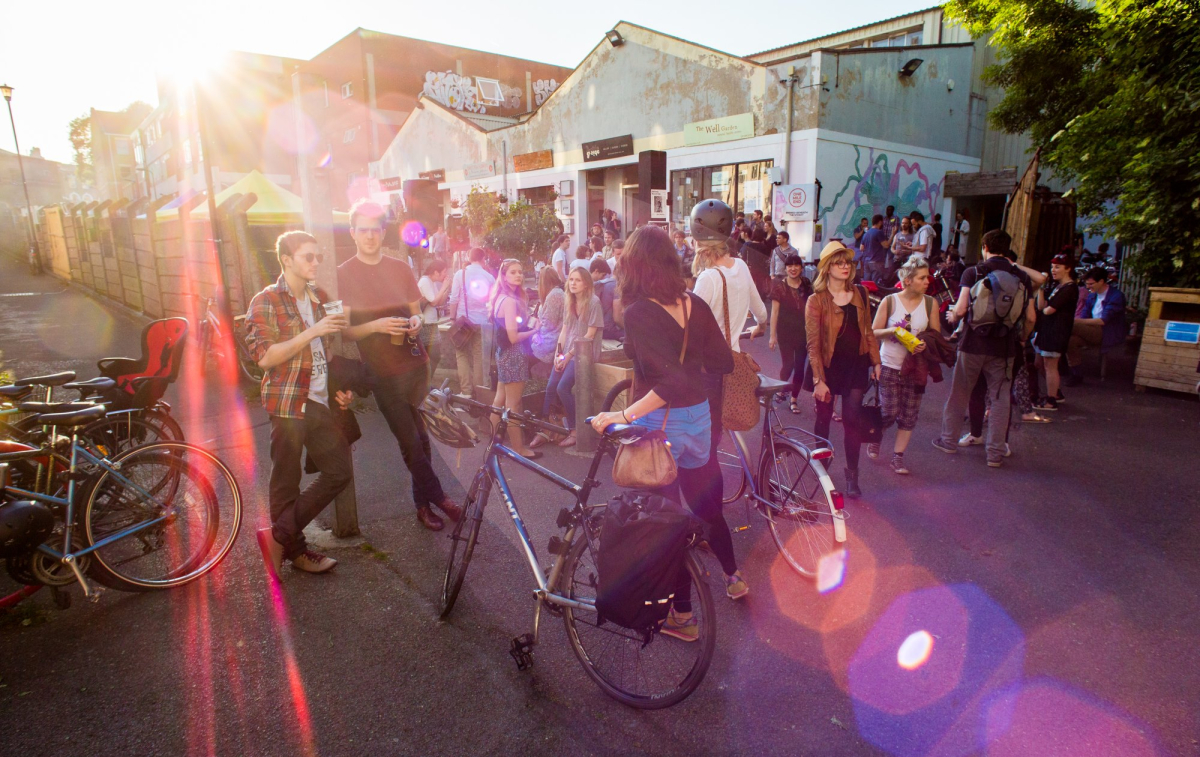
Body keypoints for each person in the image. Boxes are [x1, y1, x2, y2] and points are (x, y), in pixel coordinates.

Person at [589, 224, 743, 638]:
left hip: (662, 424)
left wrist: (622, 416)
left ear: (633, 266)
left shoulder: (638, 311)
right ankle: (734, 577)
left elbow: (665, 383)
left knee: (666, 520)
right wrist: (690, 365)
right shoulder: (693, 302)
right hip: (699, 419)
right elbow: (723, 362)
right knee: (706, 501)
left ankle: (682, 616)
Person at [339, 200, 462, 531]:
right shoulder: (344, 273)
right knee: (409, 441)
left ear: (382, 233)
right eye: (362, 230)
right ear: (353, 233)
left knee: (422, 440)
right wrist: (377, 327)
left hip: (416, 365)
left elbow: (417, 312)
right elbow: (346, 330)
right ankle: (440, 497)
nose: (369, 236)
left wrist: (415, 323)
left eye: (374, 230)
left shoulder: (400, 267)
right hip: (381, 373)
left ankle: (422, 505)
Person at [248, 231, 351, 577]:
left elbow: (327, 350)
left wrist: (340, 387)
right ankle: (296, 551)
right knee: (285, 483)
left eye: (318, 256)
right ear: (287, 260)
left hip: (320, 401)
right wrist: (313, 330)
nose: (315, 262)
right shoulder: (265, 301)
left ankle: (278, 536)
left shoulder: (319, 296)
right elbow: (265, 357)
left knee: (338, 472)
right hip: (289, 402)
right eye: (308, 256)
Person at [933, 229, 1035, 468]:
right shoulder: (1021, 277)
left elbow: (960, 310)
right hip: (1005, 347)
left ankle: (948, 441)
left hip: (972, 343)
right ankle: (995, 453)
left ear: (985, 247)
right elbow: (1030, 317)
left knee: (960, 392)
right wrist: (1022, 338)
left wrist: (951, 318)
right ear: (1007, 249)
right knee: (1000, 399)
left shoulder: (974, 272)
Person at [803, 242, 882, 497]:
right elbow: (813, 344)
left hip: (855, 366)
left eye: (847, 262)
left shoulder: (860, 293)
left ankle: (852, 475)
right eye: (838, 262)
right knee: (823, 419)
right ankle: (821, 468)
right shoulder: (816, 300)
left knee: (852, 420)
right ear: (827, 268)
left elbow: (867, 330)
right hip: (828, 366)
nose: (845, 266)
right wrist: (818, 380)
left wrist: (876, 360)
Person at [870, 255, 940, 475]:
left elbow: (935, 336)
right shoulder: (890, 301)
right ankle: (876, 435)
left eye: (927, 277)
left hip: (916, 368)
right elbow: (873, 332)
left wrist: (924, 344)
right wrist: (893, 331)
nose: (927, 282)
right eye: (922, 278)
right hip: (890, 364)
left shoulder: (930, 303)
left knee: (909, 415)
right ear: (908, 280)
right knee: (889, 411)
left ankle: (897, 457)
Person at [537, 267, 604, 449]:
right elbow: (564, 330)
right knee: (551, 387)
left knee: (563, 388)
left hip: (583, 353)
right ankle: (546, 428)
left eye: (578, 280)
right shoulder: (570, 301)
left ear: (586, 283)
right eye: (571, 279)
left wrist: (568, 355)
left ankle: (575, 430)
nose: (573, 283)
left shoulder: (593, 302)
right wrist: (558, 355)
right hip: (567, 351)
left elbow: (590, 334)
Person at [489, 258, 540, 459]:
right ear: (503, 276)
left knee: (500, 399)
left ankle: (494, 441)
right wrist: (534, 330)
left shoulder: (501, 297)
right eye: (513, 272)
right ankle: (518, 449)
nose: (518, 275)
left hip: (503, 353)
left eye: (520, 271)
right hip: (513, 354)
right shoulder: (509, 301)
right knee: (513, 403)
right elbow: (513, 337)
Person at [447, 247, 496, 398]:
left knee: (462, 355)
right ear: (483, 258)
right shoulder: (489, 277)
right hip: (482, 323)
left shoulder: (459, 274)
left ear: (469, 257)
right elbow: (492, 302)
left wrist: (452, 318)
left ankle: (466, 392)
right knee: (479, 358)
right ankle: (480, 393)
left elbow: (454, 299)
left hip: (463, 323)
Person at [1065, 267, 1127, 385]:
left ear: (1102, 281)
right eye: (1086, 284)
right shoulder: (1092, 296)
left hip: (1107, 332)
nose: (1088, 287)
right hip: (1091, 330)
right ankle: (1076, 374)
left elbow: (1103, 320)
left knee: (1069, 325)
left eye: (1091, 284)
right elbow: (1084, 315)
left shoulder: (1116, 296)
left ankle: (1053, 357)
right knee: (1070, 340)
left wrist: (1075, 322)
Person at [1032, 254, 1079, 411]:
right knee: (1039, 363)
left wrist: (1044, 309)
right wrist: (1040, 288)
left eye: (1058, 267)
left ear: (1068, 268)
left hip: (1056, 331)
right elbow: (1040, 306)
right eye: (1052, 267)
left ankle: (1051, 400)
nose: (1053, 270)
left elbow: (1048, 310)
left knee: (1050, 365)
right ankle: (1055, 392)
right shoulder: (1057, 286)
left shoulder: (1070, 288)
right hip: (1046, 330)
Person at [769, 253, 812, 415]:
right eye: (789, 266)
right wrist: (772, 336)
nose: (793, 269)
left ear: (801, 267)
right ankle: (781, 388)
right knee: (788, 365)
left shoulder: (807, 284)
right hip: (785, 332)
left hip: (804, 331)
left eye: (796, 265)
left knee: (800, 366)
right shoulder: (779, 286)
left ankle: (794, 399)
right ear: (785, 268)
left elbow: (812, 307)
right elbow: (774, 312)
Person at [417, 259, 452, 384]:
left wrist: (446, 288)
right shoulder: (425, 281)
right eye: (443, 272)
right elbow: (433, 301)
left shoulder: (431, 282)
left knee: (434, 356)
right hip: (425, 324)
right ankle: (424, 383)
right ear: (436, 272)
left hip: (431, 323)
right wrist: (443, 287)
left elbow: (440, 302)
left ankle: (425, 382)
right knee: (431, 356)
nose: (444, 275)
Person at [530, 267, 565, 368]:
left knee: (522, 344)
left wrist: (536, 333)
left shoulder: (555, 295)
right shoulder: (556, 293)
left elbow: (550, 324)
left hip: (550, 341)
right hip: (550, 336)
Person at [590, 258, 624, 340]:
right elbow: (617, 318)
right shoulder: (616, 286)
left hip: (596, 328)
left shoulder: (600, 284)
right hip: (609, 330)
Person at [739, 227, 772, 299]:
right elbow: (767, 258)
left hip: (750, 268)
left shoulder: (747, 245)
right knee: (760, 286)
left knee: (750, 285)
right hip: (761, 269)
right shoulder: (764, 247)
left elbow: (743, 256)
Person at [860, 215, 891, 283]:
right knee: (876, 283)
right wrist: (893, 234)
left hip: (866, 261)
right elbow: (886, 245)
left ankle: (866, 293)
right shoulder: (879, 232)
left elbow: (861, 248)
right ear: (880, 222)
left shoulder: (866, 233)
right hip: (876, 261)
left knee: (866, 283)